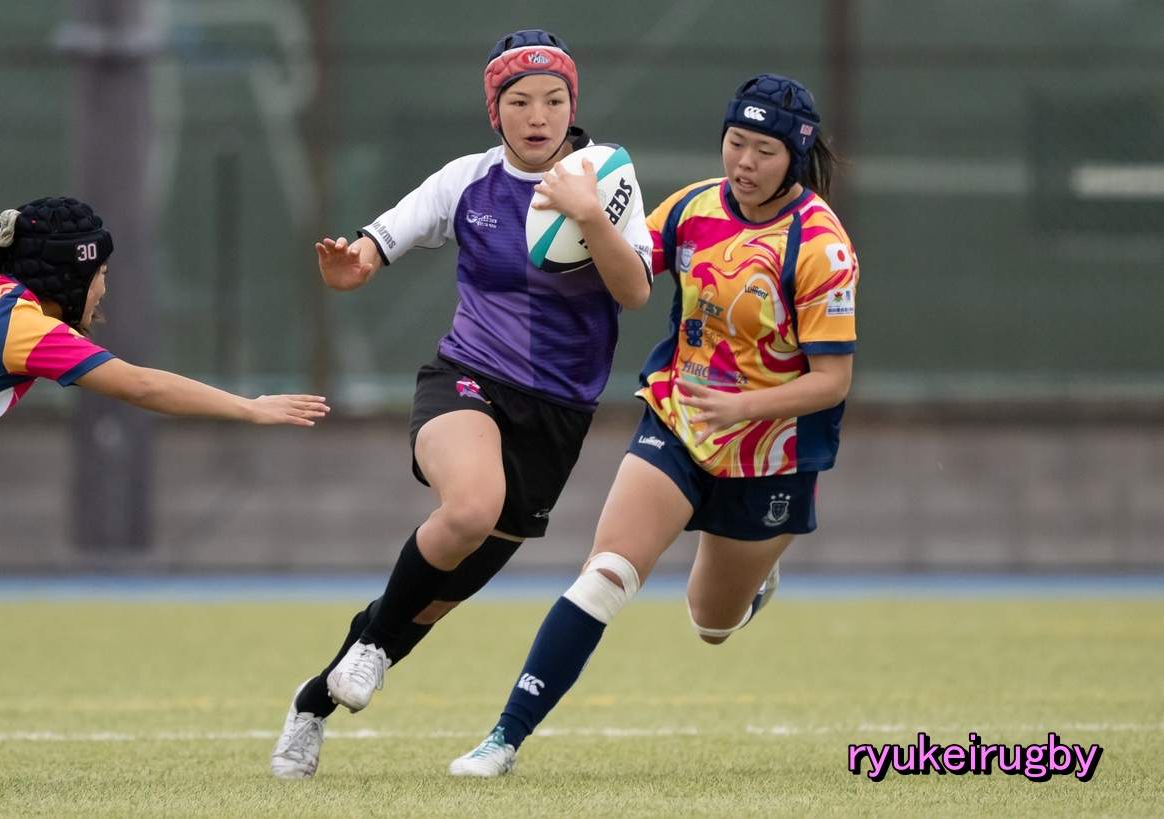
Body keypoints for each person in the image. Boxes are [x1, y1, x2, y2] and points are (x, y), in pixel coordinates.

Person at [269, 29, 653, 779]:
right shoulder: (466, 182)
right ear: (493, 111)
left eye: (554, 100)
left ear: (573, 105)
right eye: (519, 101)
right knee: (472, 507)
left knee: (428, 603)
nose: (537, 115)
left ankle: (314, 700)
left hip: (557, 416)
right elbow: (374, 245)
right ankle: (368, 651)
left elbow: (634, 291)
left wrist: (590, 215)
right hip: (467, 379)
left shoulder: (605, 178)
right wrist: (352, 266)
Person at [448, 73, 857, 777]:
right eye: (735, 142)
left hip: (771, 455)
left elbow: (832, 383)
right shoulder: (695, 207)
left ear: (794, 156)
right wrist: (587, 218)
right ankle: (502, 739)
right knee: (605, 574)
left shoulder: (820, 246)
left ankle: (755, 581)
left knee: (711, 623)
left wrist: (741, 408)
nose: (744, 162)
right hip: (677, 421)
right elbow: (629, 275)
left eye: (764, 151)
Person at [0, 197, 329, 449]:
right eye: (102, 273)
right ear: (69, 278)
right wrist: (250, 408)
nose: (103, 290)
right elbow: (140, 386)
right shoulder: (26, 331)